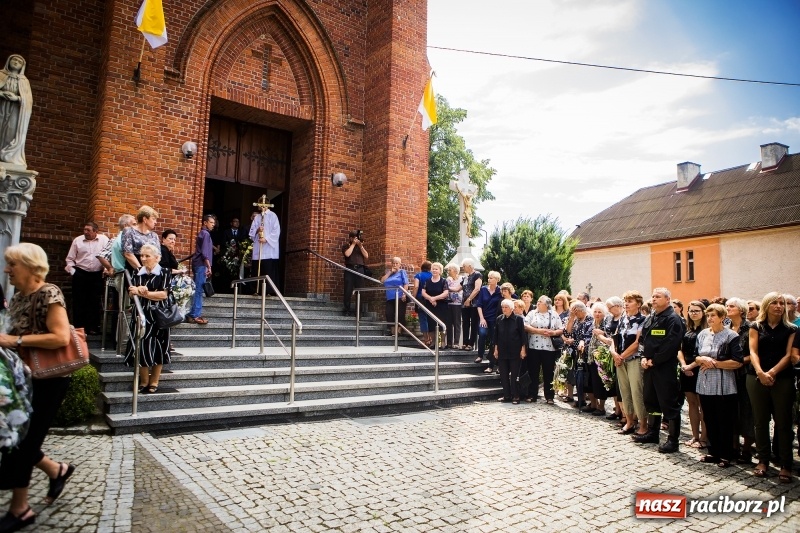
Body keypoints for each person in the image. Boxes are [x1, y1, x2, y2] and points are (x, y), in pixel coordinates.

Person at [0, 244, 75, 531]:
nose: (7, 270)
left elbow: (59, 337)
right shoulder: (19, 296)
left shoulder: (49, 292)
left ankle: (20, 509)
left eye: (12, 264)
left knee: (24, 441)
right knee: (19, 438)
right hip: (24, 377)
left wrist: (14, 342)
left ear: (32, 267)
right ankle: (58, 470)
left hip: (49, 380)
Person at [747, 292, 796, 483]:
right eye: (774, 303)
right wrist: (760, 372)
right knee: (760, 421)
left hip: (782, 378)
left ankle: (785, 464)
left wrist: (772, 373)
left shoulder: (791, 329)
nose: (778, 306)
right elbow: (753, 350)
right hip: (756, 378)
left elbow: (788, 355)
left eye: (781, 303)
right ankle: (763, 460)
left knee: (783, 423)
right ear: (767, 306)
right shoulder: (756, 326)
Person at [637, 287, 685, 453]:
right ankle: (653, 432)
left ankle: (673, 440)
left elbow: (671, 344)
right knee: (651, 400)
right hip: (650, 366)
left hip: (664, 368)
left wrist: (654, 360)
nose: (654, 299)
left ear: (667, 299)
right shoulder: (652, 317)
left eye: (658, 297)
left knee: (669, 403)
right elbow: (643, 339)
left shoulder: (673, 319)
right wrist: (643, 357)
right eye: (653, 296)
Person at [695, 304, 743, 468]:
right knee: (709, 418)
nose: (709, 319)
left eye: (713, 315)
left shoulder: (731, 336)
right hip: (705, 383)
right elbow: (696, 357)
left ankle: (726, 454)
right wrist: (701, 360)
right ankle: (713, 451)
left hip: (724, 385)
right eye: (708, 316)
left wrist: (714, 363)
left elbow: (737, 362)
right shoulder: (702, 334)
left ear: (722, 317)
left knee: (724, 420)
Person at [124, 244, 170, 394]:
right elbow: (130, 293)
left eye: (147, 256)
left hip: (159, 316)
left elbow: (163, 295)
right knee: (141, 347)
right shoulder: (137, 272)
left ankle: (154, 381)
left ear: (157, 258)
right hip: (141, 315)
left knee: (159, 348)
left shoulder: (164, 272)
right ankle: (144, 381)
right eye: (141, 256)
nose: (143, 259)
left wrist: (144, 292)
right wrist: (135, 291)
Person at [612, 291, 647, 437]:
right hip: (620, 360)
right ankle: (629, 421)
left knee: (636, 391)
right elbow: (613, 338)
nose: (626, 304)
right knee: (624, 391)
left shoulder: (643, 320)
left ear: (638, 304)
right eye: (625, 301)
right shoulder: (622, 319)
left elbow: (638, 343)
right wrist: (614, 354)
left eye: (630, 301)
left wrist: (621, 356)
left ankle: (643, 425)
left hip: (634, 360)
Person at [64, 222, 109, 335]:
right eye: (84, 230)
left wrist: (106, 269)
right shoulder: (77, 241)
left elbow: (108, 255)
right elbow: (69, 259)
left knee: (94, 301)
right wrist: (73, 272)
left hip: (97, 275)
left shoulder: (104, 240)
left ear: (95, 231)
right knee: (79, 301)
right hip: (80, 273)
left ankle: (93, 327)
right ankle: (79, 328)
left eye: (88, 230)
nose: (85, 232)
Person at [725, 297, 754, 463]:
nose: (728, 308)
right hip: (728, 374)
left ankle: (747, 449)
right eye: (727, 306)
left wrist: (737, 362)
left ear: (741, 310)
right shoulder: (726, 327)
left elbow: (754, 352)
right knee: (731, 411)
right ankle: (733, 446)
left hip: (744, 374)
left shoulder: (750, 328)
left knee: (746, 411)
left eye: (732, 306)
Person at [677, 301, 708, 449]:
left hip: (701, 369)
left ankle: (704, 437)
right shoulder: (687, 329)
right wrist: (684, 365)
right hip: (686, 369)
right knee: (692, 404)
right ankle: (694, 435)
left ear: (703, 313)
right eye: (691, 311)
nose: (694, 313)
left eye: (697, 310)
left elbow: (705, 352)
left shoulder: (708, 330)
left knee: (703, 405)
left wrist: (691, 366)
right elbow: (679, 349)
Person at [523, 295, 563, 404]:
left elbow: (561, 329)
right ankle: (532, 395)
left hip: (548, 348)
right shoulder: (532, 313)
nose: (538, 303)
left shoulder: (553, 314)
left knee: (548, 372)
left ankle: (549, 396)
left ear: (546, 305)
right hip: (533, 347)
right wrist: (538, 331)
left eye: (540, 302)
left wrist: (553, 333)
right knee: (533, 372)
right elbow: (525, 326)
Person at [0, 54, 32, 166]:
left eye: (20, 61)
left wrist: (17, 98)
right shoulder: (1, 75)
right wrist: (2, 94)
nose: (16, 62)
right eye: (14, 59)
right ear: (8, 61)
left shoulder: (24, 81)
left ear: (22, 66)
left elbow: (28, 100)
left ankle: (7, 155)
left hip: (15, 109)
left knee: (11, 130)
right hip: (1, 105)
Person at [493, 299, 527, 404]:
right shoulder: (499, 319)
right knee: (503, 375)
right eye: (502, 307)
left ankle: (516, 396)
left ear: (511, 308)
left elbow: (523, 336)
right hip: (502, 351)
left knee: (514, 376)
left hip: (515, 352)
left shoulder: (518, 319)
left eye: (506, 307)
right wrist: (495, 350)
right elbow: (496, 336)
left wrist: (523, 350)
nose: (504, 309)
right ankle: (506, 395)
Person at [187, 215, 215, 325]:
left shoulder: (202, 233)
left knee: (197, 289)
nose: (213, 224)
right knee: (199, 290)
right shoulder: (206, 234)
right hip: (201, 264)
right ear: (205, 223)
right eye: (211, 222)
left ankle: (193, 313)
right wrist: (209, 266)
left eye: (213, 222)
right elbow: (204, 253)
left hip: (198, 264)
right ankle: (195, 315)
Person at [249, 202, 281, 295]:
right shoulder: (257, 217)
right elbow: (251, 232)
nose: (262, 206)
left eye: (264, 205)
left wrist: (266, 239)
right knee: (257, 269)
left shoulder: (273, 216)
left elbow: (276, 231)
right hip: (258, 247)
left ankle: (269, 291)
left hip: (269, 249)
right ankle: (256, 289)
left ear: (267, 205)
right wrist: (257, 230)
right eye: (260, 205)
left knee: (268, 269)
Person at [475, 271, 502, 372]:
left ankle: (492, 363)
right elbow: (479, 305)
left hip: (495, 320)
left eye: (491, 278)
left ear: (497, 280)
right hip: (484, 317)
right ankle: (480, 355)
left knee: (493, 341)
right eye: (489, 278)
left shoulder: (500, 291)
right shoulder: (483, 289)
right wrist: (482, 318)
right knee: (482, 334)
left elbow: (512, 297)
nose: (489, 279)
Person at [122, 205, 161, 274]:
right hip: (134, 270)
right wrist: (142, 271)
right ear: (145, 219)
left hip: (151, 270)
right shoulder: (129, 231)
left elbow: (158, 255)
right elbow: (128, 254)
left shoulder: (154, 236)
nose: (156, 222)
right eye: (153, 219)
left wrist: (151, 271)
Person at [421, 262, 449, 348]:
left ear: (440, 271)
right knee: (431, 324)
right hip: (430, 305)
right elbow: (423, 292)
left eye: (436, 269)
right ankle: (434, 342)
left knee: (441, 325)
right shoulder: (427, 281)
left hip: (441, 306)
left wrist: (435, 298)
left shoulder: (443, 281)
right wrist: (430, 299)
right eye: (433, 269)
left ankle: (442, 343)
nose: (434, 270)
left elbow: (446, 293)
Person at [341, 230, 368, 315]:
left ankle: (359, 311)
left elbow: (366, 256)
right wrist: (353, 244)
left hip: (360, 269)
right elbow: (347, 254)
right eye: (355, 238)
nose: (357, 239)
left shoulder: (360, 247)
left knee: (360, 290)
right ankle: (346, 310)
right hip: (350, 269)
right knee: (348, 290)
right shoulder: (346, 246)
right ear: (351, 238)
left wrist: (360, 246)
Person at [380, 257, 408, 336]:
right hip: (390, 297)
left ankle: (399, 331)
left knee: (400, 314)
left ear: (400, 264)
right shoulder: (389, 273)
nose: (395, 265)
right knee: (389, 313)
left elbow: (406, 283)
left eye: (397, 263)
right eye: (393, 263)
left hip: (399, 296)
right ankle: (392, 331)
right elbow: (382, 281)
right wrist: (390, 272)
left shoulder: (402, 272)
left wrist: (404, 294)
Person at [460, 258, 482, 352]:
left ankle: (471, 343)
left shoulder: (477, 275)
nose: (463, 268)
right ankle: (465, 342)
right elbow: (458, 288)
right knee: (465, 322)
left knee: (473, 323)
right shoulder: (465, 277)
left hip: (474, 303)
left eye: (464, 266)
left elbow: (477, 289)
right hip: (464, 303)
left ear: (469, 266)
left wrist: (469, 299)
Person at [412, 261, 433, 346]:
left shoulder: (419, 275)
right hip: (431, 298)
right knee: (431, 319)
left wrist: (413, 297)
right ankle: (432, 340)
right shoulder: (432, 275)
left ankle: (426, 340)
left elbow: (416, 286)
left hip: (420, 299)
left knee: (423, 319)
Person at [444, 264, 463, 349]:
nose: (448, 272)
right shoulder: (448, 279)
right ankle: (449, 343)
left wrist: (449, 289)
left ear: (455, 271)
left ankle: (456, 342)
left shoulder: (461, 279)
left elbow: (458, 289)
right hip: (448, 303)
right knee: (448, 324)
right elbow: (445, 288)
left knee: (457, 323)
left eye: (450, 270)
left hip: (458, 304)